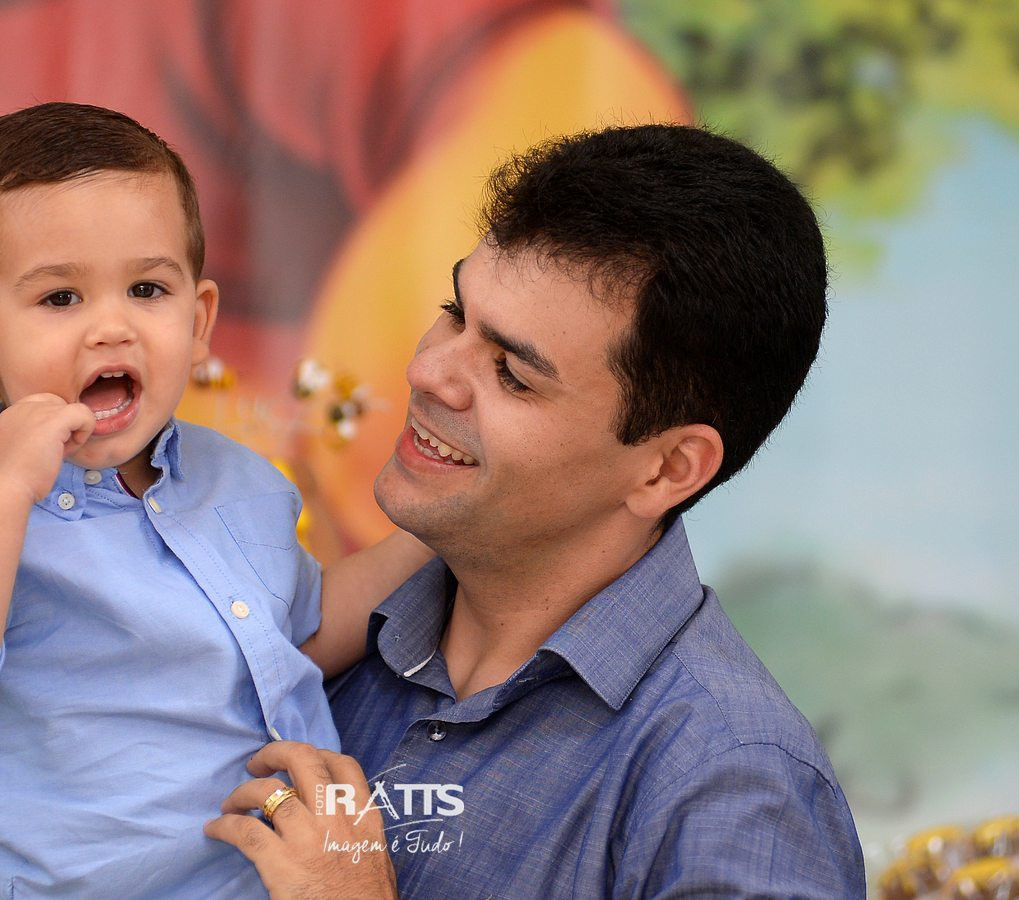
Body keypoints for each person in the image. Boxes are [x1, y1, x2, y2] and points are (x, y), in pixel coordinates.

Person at [206, 124, 867, 897]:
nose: (428, 371)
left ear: (666, 468)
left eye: (511, 374)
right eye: (454, 312)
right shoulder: (328, 639)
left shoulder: (732, 786)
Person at [0, 102, 427, 898]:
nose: (112, 327)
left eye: (146, 289)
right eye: (60, 298)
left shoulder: (242, 481)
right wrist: (8, 489)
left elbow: (298, 634)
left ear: (198, 322)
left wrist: (437, 537)